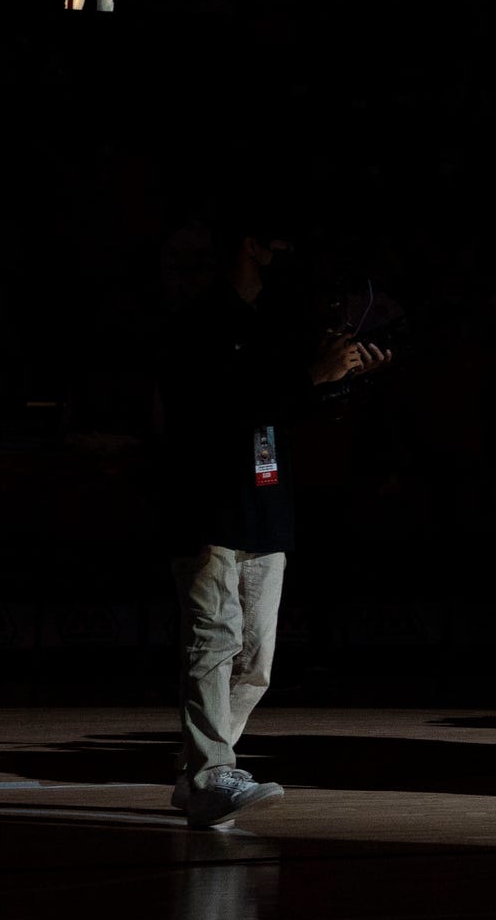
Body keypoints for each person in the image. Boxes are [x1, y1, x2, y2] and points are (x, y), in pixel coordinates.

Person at [150, 218, 389, 826]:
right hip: (208, 503)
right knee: (213, 643)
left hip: (266, 502)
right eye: (277, 243)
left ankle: (198, 771)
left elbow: (292, 409)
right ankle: (208, 776)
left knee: (256, 658)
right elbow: (216, 408)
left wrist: (343, 382)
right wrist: (311, 377)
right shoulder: (196, 323)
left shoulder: (281, 327)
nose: (289, 255)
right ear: (249, 246)